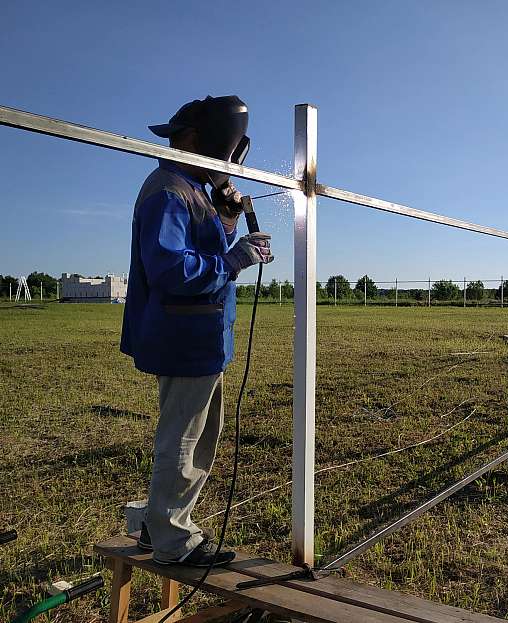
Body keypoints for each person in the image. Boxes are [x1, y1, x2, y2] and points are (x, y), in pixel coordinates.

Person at [120, 95, 273, 567]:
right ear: (192, 142)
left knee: (197, 437)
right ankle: (171, 540)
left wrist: (227, 219)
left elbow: (208, 245)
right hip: (184, 338)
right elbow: (169, 269)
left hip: (204, 339)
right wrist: (232, 260)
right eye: (220, 158)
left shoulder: (190, 189)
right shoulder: (168, 189)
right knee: (184, 442)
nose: (223, 169)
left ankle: (155, 523)